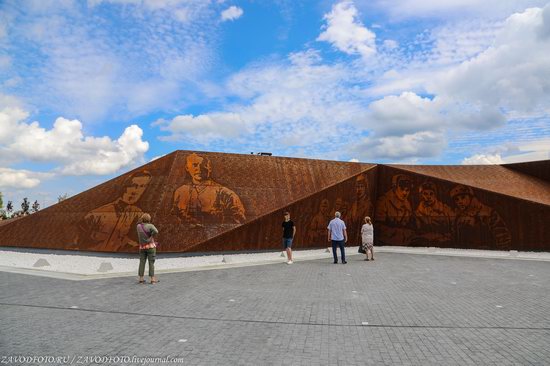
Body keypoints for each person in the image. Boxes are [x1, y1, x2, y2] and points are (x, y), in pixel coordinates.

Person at [74, 170, 152, 251]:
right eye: (133, 185)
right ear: (124, 186)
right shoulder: (96, 214)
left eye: (142, 186)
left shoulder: (138, 215)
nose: (136, 191)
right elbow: (76, 244)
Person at [173, 153, 246, 226]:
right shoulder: (181, 191)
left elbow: (238, 220)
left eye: (203, 165)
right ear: (187, 168)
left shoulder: (225, 193)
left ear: (209, 168)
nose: (199, 169)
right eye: (195, 165)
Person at [450, 185, 511, 250]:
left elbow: (502, 236)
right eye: (456, 199)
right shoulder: (457, 217)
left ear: (470, 197)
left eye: (463, 197)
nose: (460, 202)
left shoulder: (488, 213)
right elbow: (455, 238)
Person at [374, 174, 414, 246]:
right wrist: (400, 233)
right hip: (385, 243)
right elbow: (378, 227)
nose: (404, 193)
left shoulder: (408, 205)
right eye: (401, 189)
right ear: (395, 188)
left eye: (407, 190)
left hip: (404, 243)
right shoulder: (383, 201)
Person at [137, 213, 159, 284]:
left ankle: (141, 279)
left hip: (142, 247)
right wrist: (151, 236)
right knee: (151, 262)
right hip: (150, 247)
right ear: (149, 219)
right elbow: (156, 231)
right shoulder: (150, 226)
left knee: (142, 262)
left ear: (142, 218)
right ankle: (152, 279)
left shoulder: (138, 226)